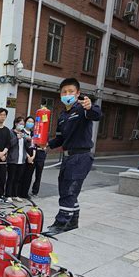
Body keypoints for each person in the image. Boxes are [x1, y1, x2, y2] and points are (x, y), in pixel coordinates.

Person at [45, 78, 102, 234]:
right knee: (66, 189)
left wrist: (90, 107)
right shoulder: (63, 115)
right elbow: (60, 139)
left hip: (80, 156)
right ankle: (73, 221)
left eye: (71, 91)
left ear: (78, 93)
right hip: (68, 157)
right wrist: (46, 144)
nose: (67, 94)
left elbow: (96, 114)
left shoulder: (83, 108)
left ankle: (61, 223)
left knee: (69, 190)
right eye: (64, 92)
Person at [6, 117, 26, 203]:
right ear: (15, 124)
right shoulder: (11, 132)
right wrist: (17, 138)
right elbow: (9, 144)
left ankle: (15, 194)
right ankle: (8, 195)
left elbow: (26, 146)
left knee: (18, 178)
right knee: (11, 178)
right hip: (13, 159)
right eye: (20, 123)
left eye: (23, 124)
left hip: (21, 159)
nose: (22, 125)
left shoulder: (23, 133)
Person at [18, 116, 37, 199]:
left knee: (29, 176)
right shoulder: (21, 132)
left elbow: (35, 146)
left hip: (32, 158)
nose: (30, 123)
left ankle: (25, 193)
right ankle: (18, 192)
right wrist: (28, 156)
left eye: (32, 122)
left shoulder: (34, 133)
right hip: (23, 157)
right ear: (25, 122)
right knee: (21, 175)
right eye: (29, 121)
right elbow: (22, 146)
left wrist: (33, 156)